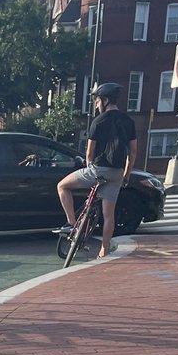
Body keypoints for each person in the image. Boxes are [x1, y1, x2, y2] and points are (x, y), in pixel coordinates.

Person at [56, 82, 137, 259]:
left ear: (105, 100)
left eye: (97, 101)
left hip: (98, 170)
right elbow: (133, 152)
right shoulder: (128, 122)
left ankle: (71, 223)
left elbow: (89, 151)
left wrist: (89, 166)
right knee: (109, 215)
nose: (96, 104)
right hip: (116, 172)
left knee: (62, 186)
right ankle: (104, 250)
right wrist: (126, 174)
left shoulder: (98, 121)